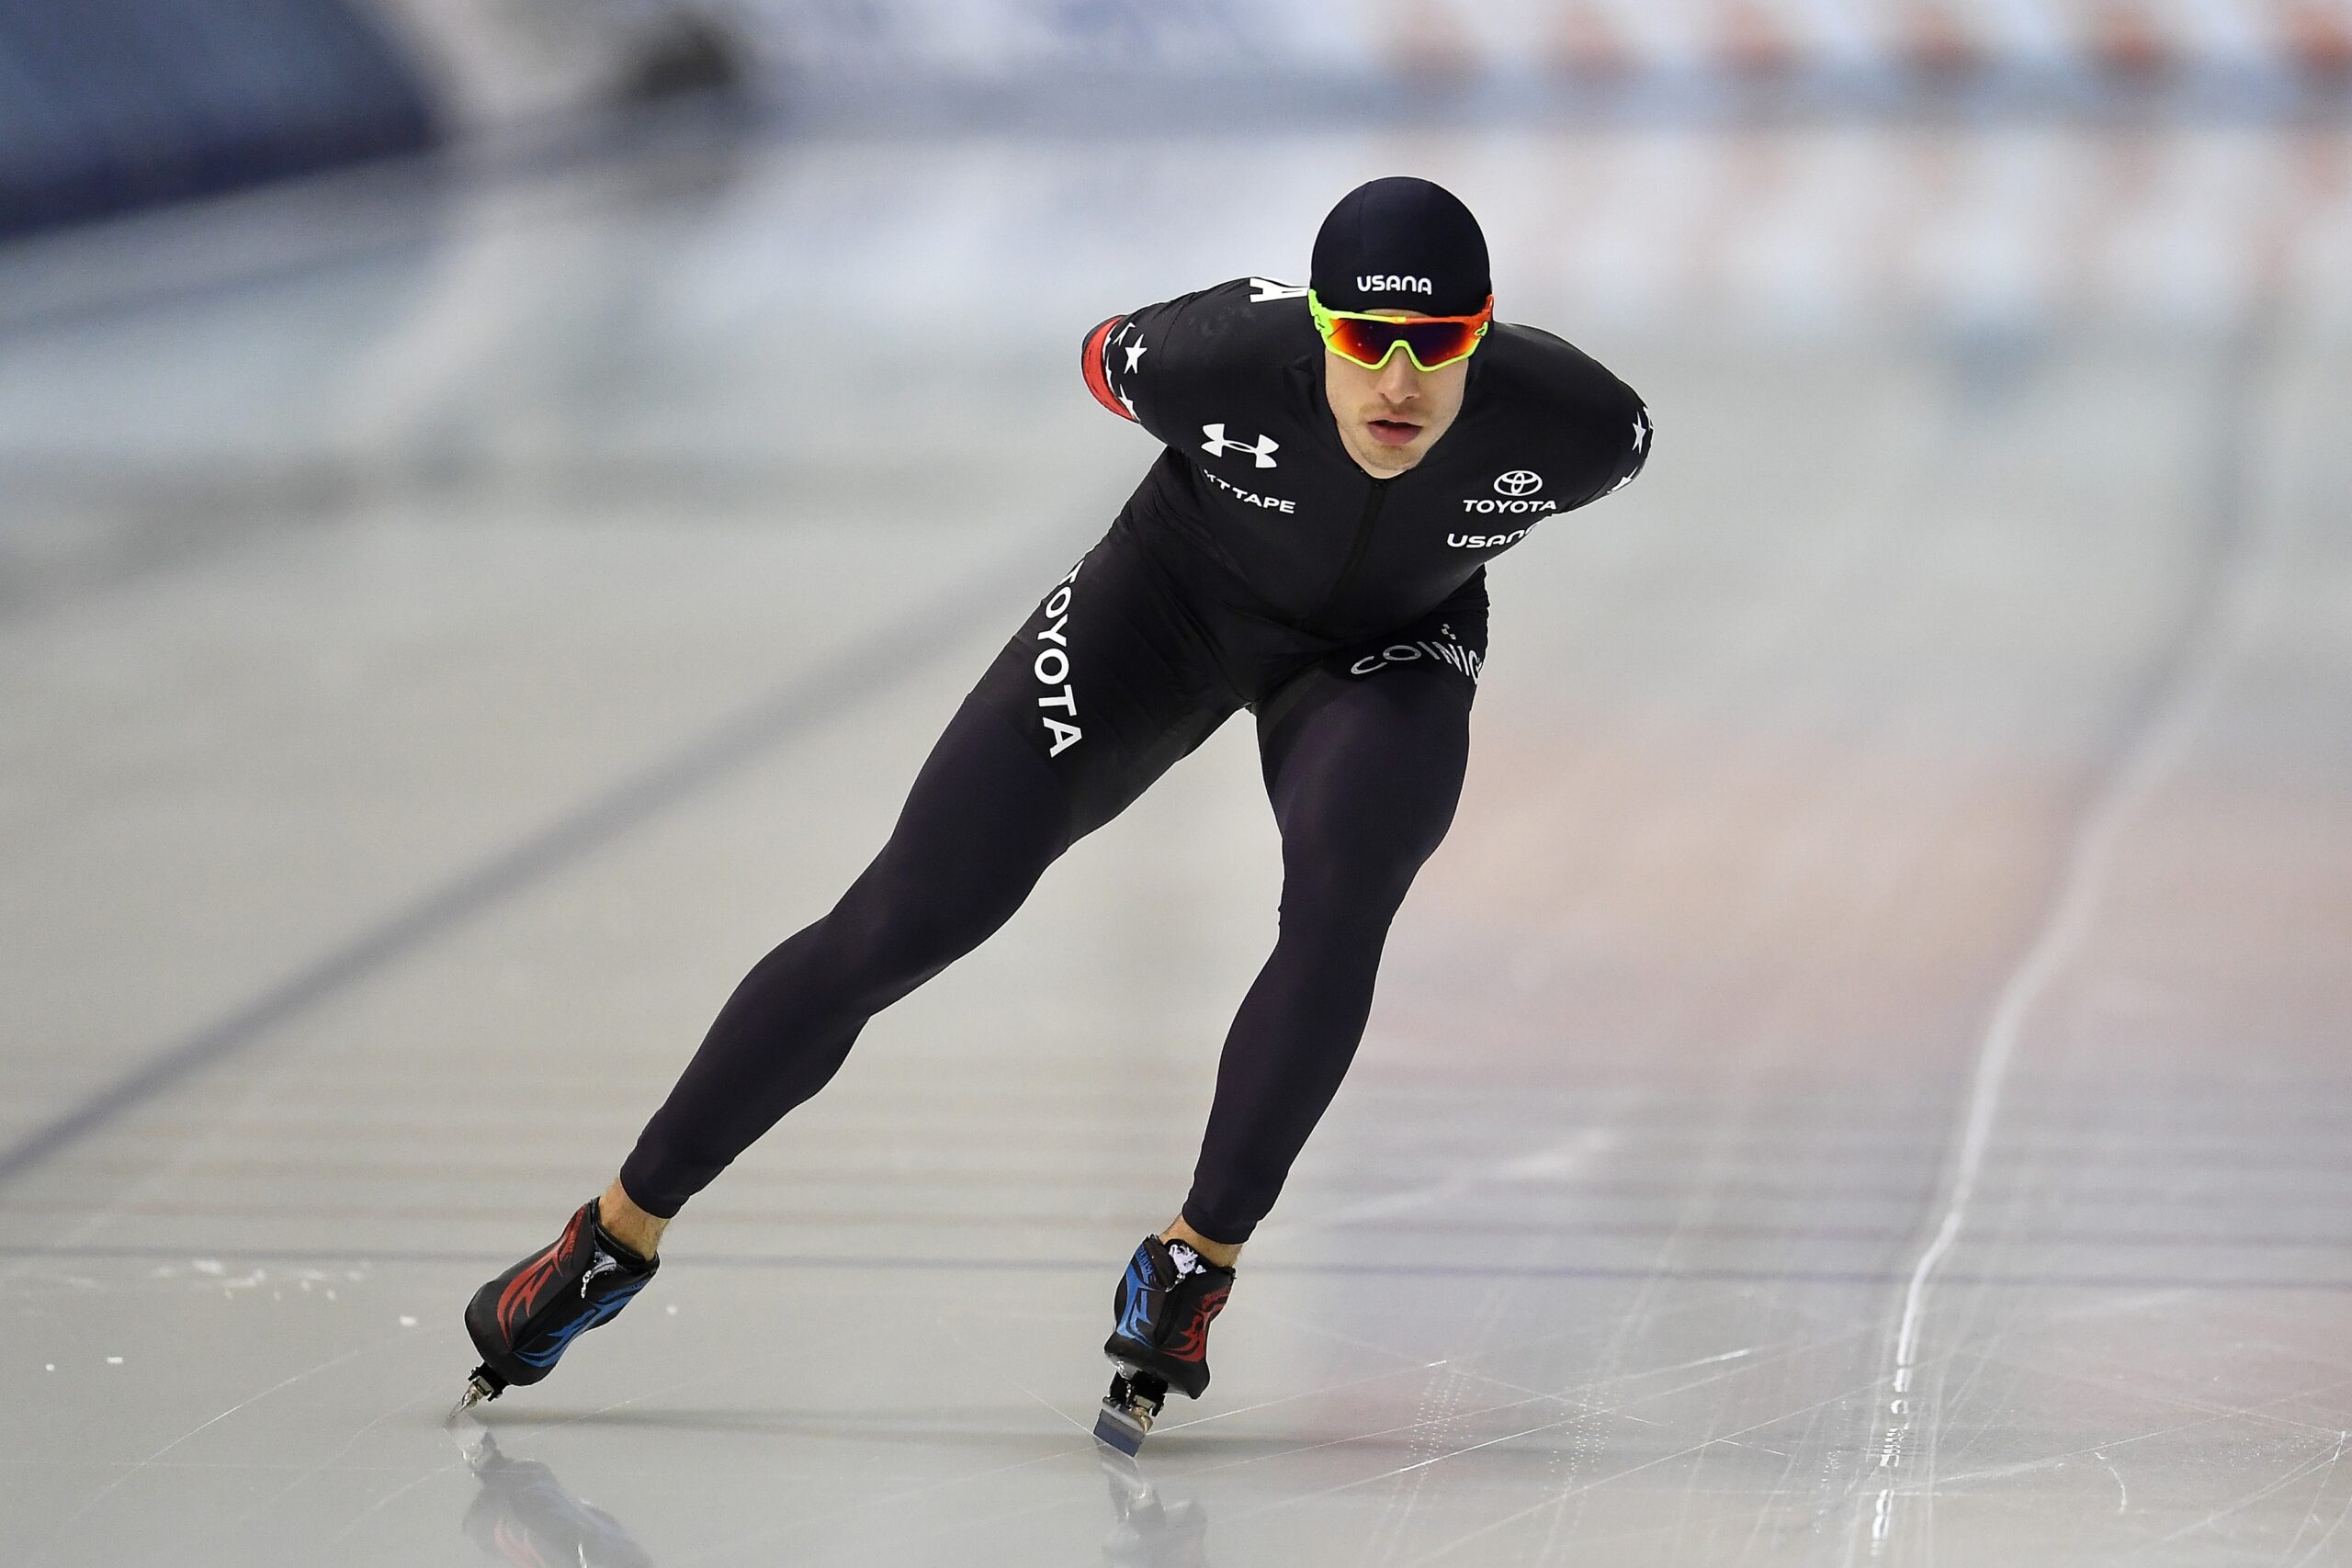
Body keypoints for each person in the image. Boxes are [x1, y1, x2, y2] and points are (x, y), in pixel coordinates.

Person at [454, 176, 1651, 1448]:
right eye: (1364, 340)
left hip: (1386, 654)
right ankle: (611, 1238)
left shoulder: (1583, 428)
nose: (1398, 383)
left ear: (1486, 334)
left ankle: (1194, 1264)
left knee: (1342, 905)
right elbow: (1101, 352)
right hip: (1166, 613)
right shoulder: (1213, 360)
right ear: (1315, 326)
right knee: (907, 917)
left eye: (1437, 347)